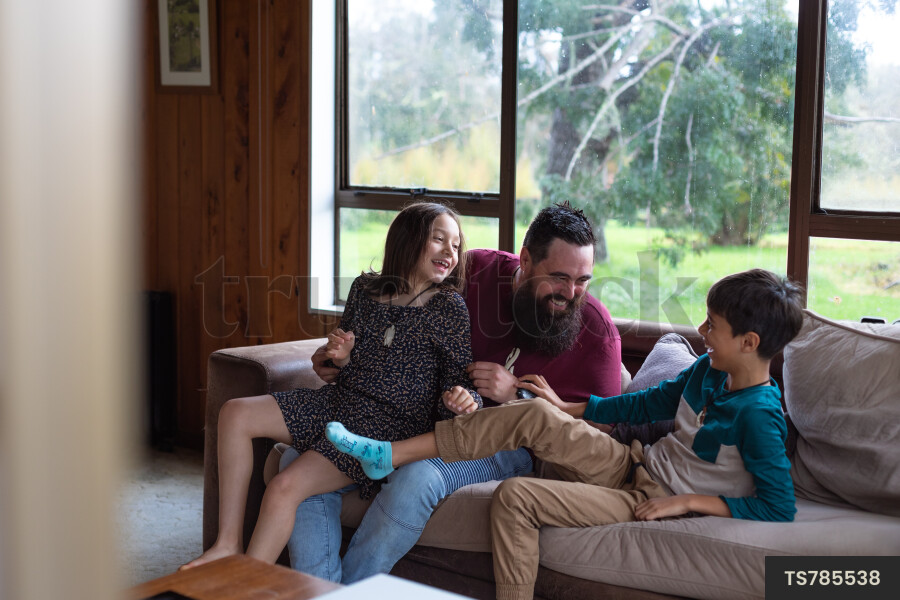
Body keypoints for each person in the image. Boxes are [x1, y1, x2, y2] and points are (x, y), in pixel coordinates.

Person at [327, 268, 804, 600]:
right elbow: (644, 402)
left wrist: (688, 503)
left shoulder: (761, 415)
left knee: (515, 497)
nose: (701, 331)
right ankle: (390, 454)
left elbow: (778, 506)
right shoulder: (707, 370)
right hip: (631, 462)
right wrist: (565, 407)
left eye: (712, 326)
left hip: (648, 499)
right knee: (533, 413)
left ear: (749, 343)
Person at [282, 202, 623, 582]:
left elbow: (605, 427)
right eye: (559, 277)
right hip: (423, 418)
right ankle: (319, 590)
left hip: (508, 445)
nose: (571, 292)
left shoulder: (597, 329)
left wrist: (516, 396)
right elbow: (401, 322)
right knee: (297, 458)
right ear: (525, 259)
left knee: (418, 478)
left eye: (583, 280)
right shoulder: (475, 271)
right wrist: (339, 361)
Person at [181, 202, 482, 569]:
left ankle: (245, 583)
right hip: (339, 401)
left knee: (283, 487)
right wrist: (339, 358)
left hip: (386, 426)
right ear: (408, 241)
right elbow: (342, 363)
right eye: (439, 240)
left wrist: (462, 399)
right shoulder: (365, 289)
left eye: (456, 244)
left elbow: (458, 383)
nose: (450, 252)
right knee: (235, 413)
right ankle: (227, 543)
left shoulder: (449, 308)